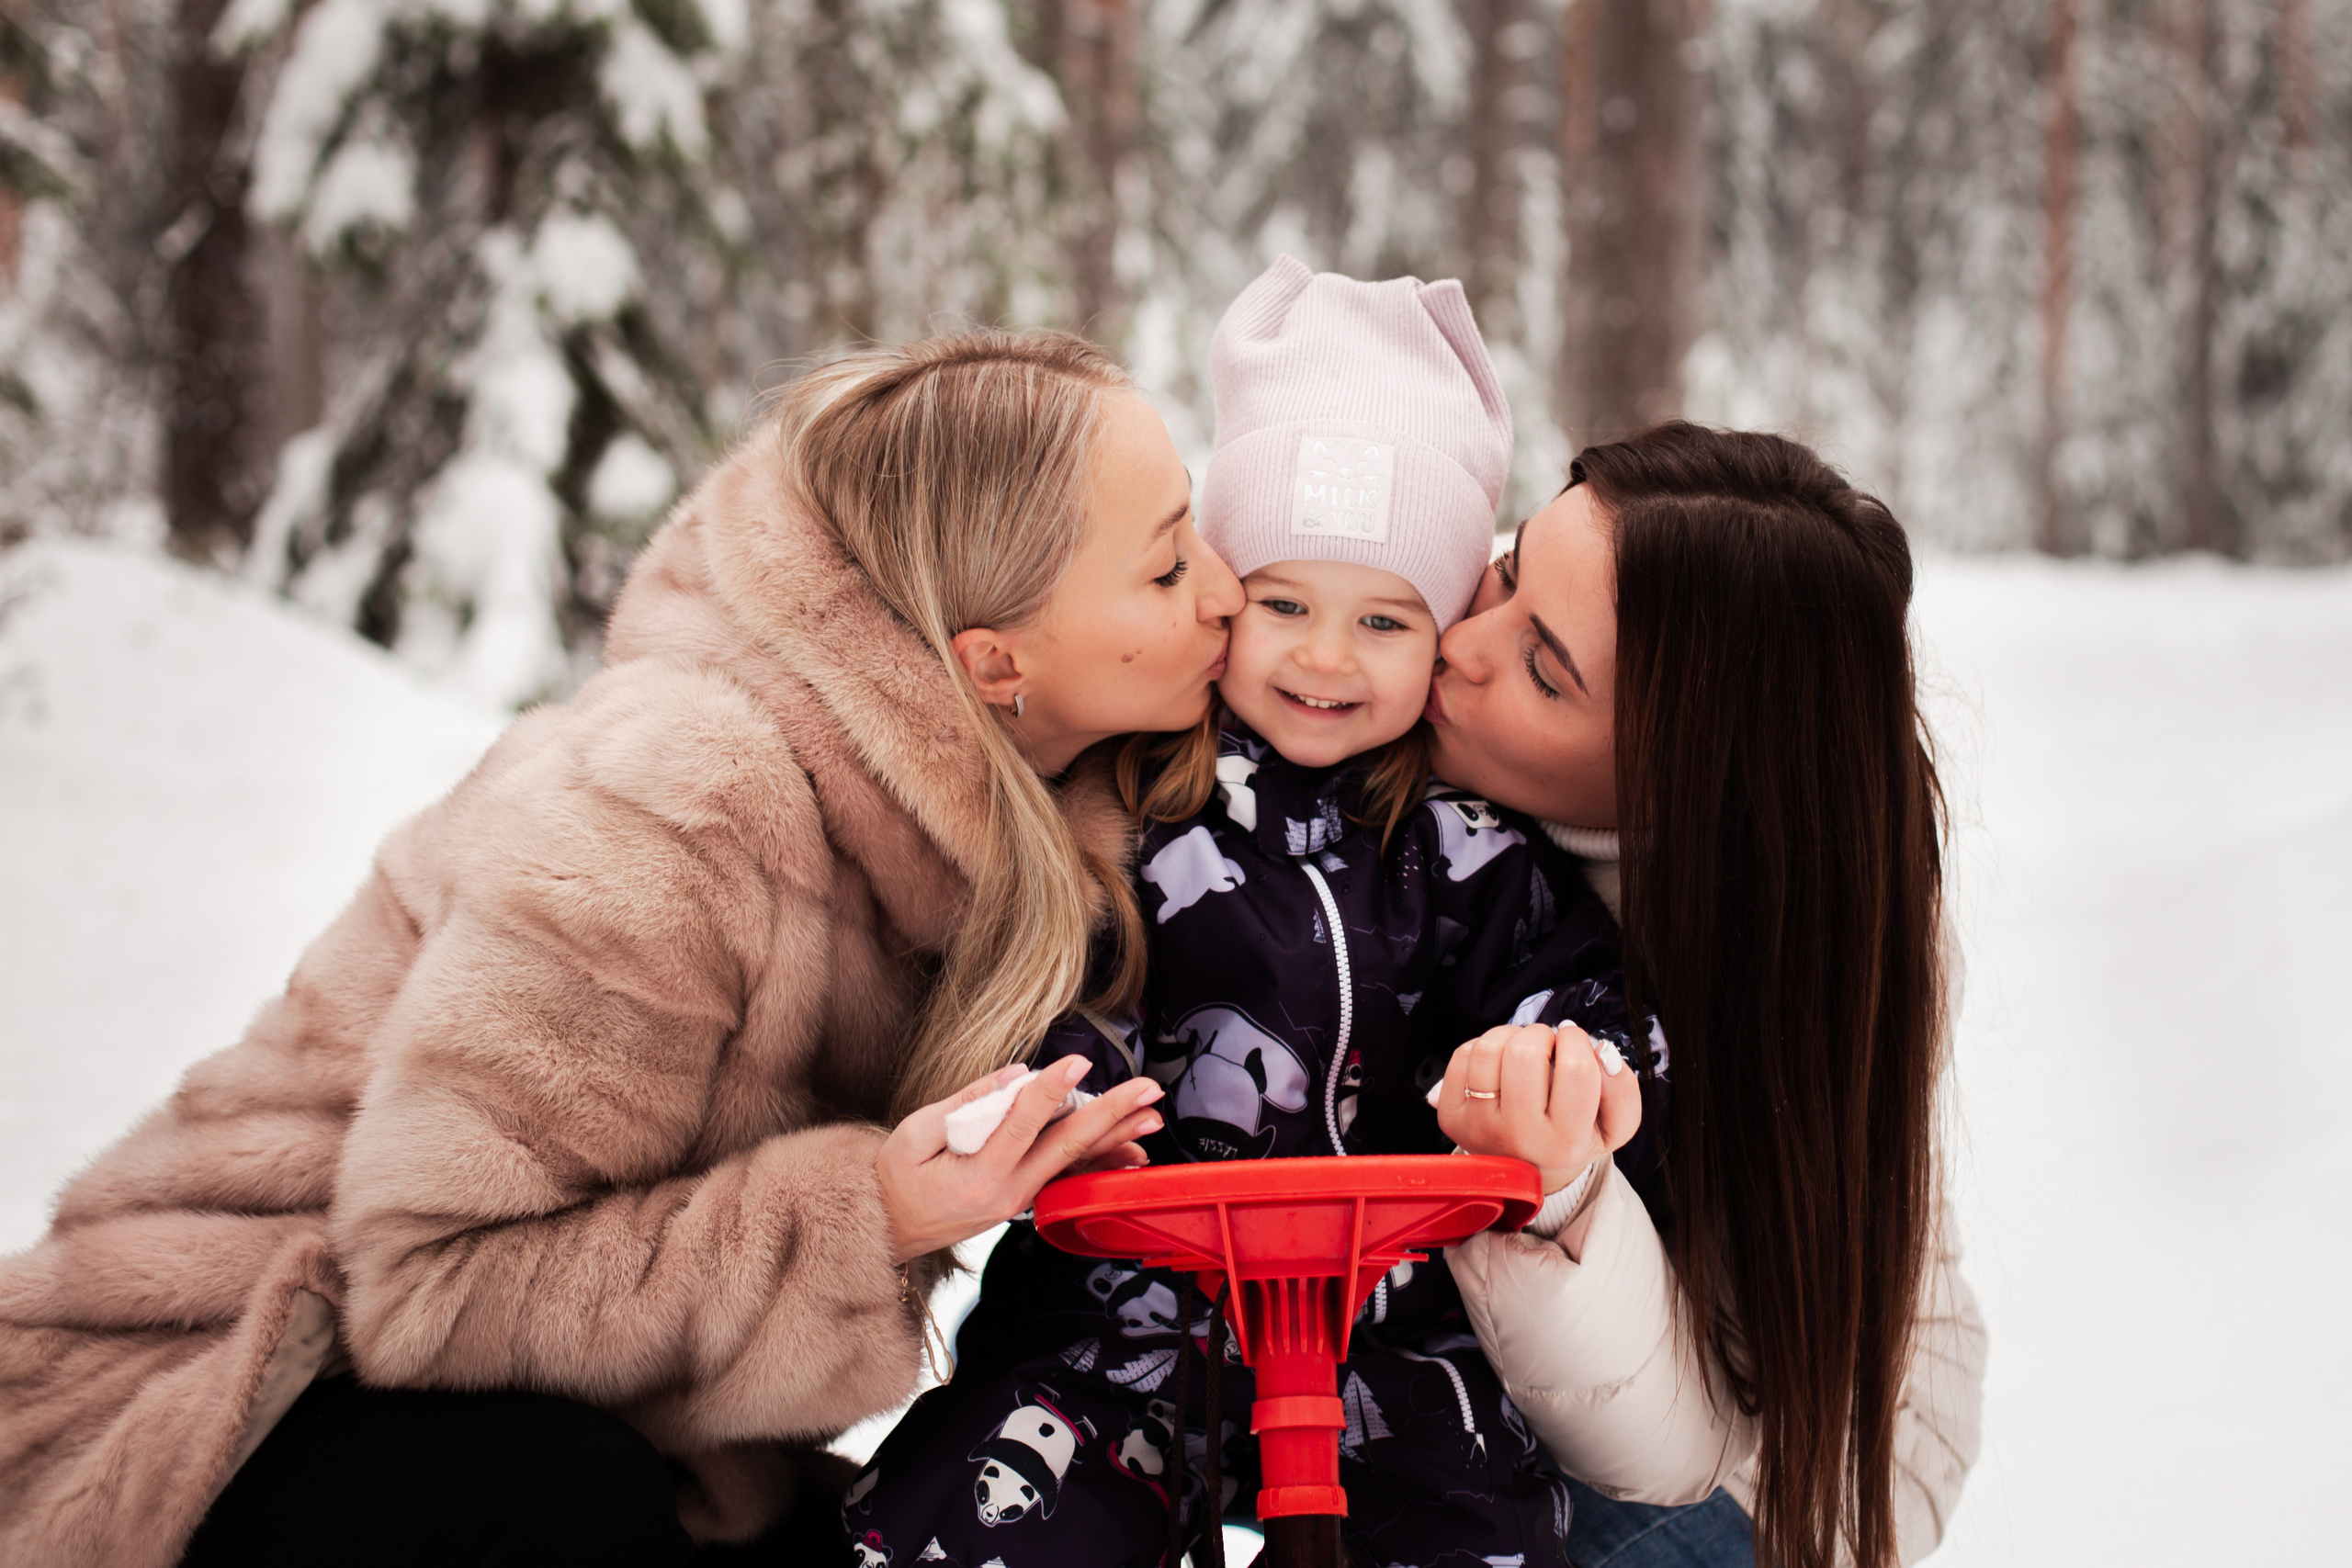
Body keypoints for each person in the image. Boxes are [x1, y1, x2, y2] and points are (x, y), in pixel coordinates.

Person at [0, 331, 1245, 1568]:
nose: (1223, 590)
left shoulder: (998, 815)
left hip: (550, 1431)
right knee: (567, 1500)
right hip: (205, 1403)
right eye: (1163, 564)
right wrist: (872, 1213)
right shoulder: (681, 799)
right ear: (994, 663)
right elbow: (435, 1286)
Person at [844, 258, 1648, 1568]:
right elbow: (1067, 966)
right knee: (997, 1497)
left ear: (1445, 628)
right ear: (1226, 589)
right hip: (1133, 1313)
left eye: (1384, 619)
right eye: (1285, 603)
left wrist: (1580, 1068)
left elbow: (1579, 991)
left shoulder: (1466, 847)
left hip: (1390, 1336)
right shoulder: (1138, 799)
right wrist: (1066, 1083)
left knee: (1477, 1525)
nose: (1325, 658)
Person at [1430, 423, 1988, 1568]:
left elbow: (1686, 1436)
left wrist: (1561, 1197)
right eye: (1506, 566)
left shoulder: (1767, 958)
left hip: (1772, 1471)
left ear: (1675, 773)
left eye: (1543, 669)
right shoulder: (1451, 662)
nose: (1461, 642)